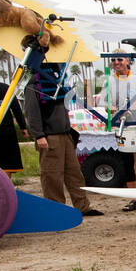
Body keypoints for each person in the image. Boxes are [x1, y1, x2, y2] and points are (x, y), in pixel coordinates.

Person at [22, 58, 101, 216]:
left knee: (74, 173)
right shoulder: (34, 86)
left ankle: (83, 206)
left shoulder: (56, 86)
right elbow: (32, 113)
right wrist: (38, 135)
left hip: (65, 135)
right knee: (52, 175)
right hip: (50, 136)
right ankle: (56, 209)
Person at [105, 50, 136, 212]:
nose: (116, 63)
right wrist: (114, 110)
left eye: (119, 59)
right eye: (113, 60)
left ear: (128, 61)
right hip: (123, 125)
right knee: (126, 160)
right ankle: (134, 198)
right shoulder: (109, 81)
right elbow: (106, 103)